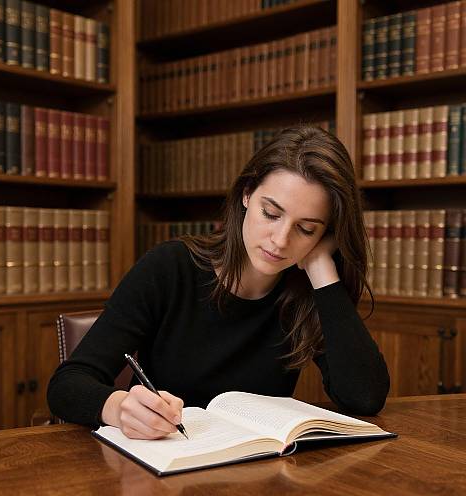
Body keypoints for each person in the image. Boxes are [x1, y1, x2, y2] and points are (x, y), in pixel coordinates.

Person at [47, 125, 390, 440]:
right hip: (165, 465)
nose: (280, 240)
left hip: (258, 473)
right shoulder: (170, 268)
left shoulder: (305, 291)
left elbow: (364, 398)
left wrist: (320, 269)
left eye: (306, 228)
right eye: (271, 213)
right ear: (246, 194)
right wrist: (118, 408)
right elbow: (68, 383)